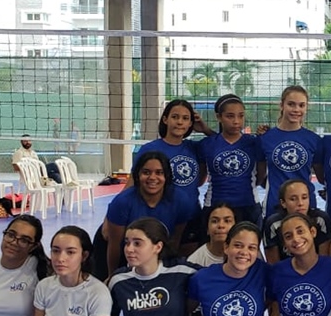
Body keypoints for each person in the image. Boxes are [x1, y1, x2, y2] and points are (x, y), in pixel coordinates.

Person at [102, 150, 187, 280]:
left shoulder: (180, 200)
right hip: (128, 257)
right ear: (137, 175)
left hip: (160, 258)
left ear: (167, 176)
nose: (152, 178)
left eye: (159, 173)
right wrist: (112, 276)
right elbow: (115, 245)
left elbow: (175, 241)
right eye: (146, 172)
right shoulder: (122, 202)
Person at [137, 99, 206, 241]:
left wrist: (205, 129)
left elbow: (199, 181)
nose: (180, 122)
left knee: (187, 262)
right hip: (159, 217)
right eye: (175, 117)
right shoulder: (150, 149)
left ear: (190, 124)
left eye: (185, 118)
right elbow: (134, 183)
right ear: (165, 119)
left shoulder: (195, 148)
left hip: (191, 217)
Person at [258, 85, 323, 216]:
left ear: (306, 108)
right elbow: (260, 176)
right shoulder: (265, 139)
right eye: (291, 104)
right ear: (282, 105)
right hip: (275, 206)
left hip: (305, 206)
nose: (296, 110)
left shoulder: (314, 140)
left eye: (301, 105)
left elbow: (321, 177)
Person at [199, 93, 261, 225]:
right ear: (219, 117)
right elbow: (200, 179)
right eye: (230, 116)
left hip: (248, 205)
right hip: (215, 207)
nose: (236, 121)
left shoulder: (254, 143)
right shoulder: (207, 144)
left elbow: (261, 173)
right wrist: (206, 130)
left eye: (241, 115)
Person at [262, 179, 331, 263]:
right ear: (283, 203)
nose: (300, 203)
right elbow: (273, 264)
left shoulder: (321, 220)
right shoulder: (273, 224)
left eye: (304, 198)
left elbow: (325, 260)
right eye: (293, 199)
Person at [187, 203, 236, 267]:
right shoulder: (195, 260)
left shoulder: (244, 254)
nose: (221, 225)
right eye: (214, 221)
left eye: (227, 221)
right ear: (207, 229)